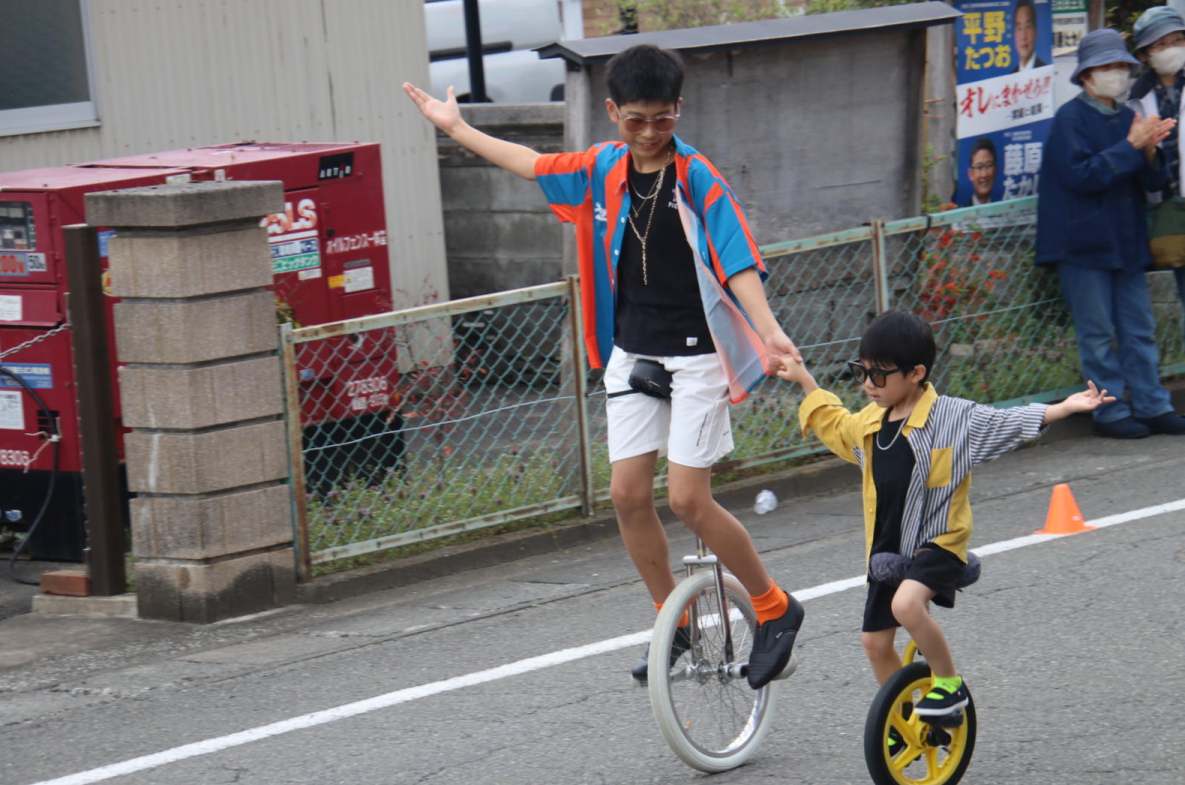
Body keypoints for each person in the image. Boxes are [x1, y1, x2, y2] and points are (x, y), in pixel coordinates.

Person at [402, 44, 804, 689]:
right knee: (625, 495)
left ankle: (774, 607)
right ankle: (673, 623)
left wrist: (770, 331)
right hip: (634, 353)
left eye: (662, 120)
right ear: (613, 112)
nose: (648, 134)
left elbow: (737, 262)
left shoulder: (698, 178)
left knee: (688, 500)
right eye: (635, 119)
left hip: (700, 357)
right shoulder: (601, 168)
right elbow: (531, 163)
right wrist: (457, 129)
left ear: (678, 110)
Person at [775, 310, 1113, 728]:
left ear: (916, 373)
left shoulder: (954, 418)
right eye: (861, 372)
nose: (867, 384)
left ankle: (948, 684)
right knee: (874, 644)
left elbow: (1005, 422)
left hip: (938, 544)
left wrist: (1063, 408)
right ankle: (904, 723)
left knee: (906, 604)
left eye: (879, 375)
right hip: (888, 550)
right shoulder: (870, 423)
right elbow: (836, 425)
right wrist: (806, 381)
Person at [1035, 28, 1185, 438]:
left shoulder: (1127, 118)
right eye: (1107, 67)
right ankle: (1110, 411)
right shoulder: (1070, 119)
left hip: (1126, 240)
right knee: (1097, 334)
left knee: (1139, 328)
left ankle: (1154, 405)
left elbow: (1153, 181)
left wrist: (1149, 149)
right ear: (1085, 75)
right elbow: (1082, 176)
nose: (1117, 74)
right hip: (1081, 245)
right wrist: (1131, 145)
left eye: (1122, 66)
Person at [1128, 5, 1185, 340]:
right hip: (1165, 213)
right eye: (1161, 43)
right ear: (1146, 54)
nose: (1173, 48)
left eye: (1178, 39)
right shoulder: (1133, 97)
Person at [1011, 0, 1048, 73]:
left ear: (1035, 30)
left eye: (1027, 27)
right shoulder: (1010, 78)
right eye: (1019, 28)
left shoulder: (1045, 71)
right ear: (1014, 34)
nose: (1023, 37)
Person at [968, 138, 998, 205]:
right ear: (970, 174)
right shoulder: (961, 213)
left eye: (988, 165)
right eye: (979, 167)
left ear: (995, 170)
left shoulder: (1004, 212)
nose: (984, 174)